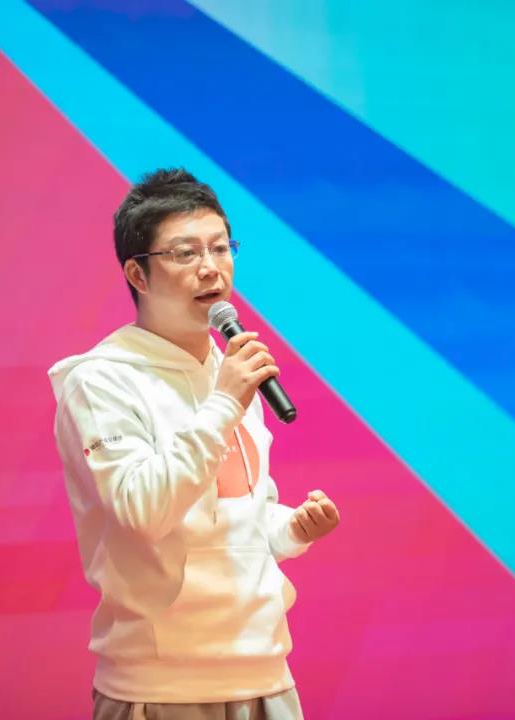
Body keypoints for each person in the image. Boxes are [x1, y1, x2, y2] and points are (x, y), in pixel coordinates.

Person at [48, 168, 340, 720]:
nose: (211, 267)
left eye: (220, 248)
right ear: (137, 272)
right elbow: (145, 512)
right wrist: (225, 401)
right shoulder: (102, 381)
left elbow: (240, 520)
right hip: (162, 687)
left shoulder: (229, 372)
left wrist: (292, 529)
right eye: (185, 253)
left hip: (267, 671)